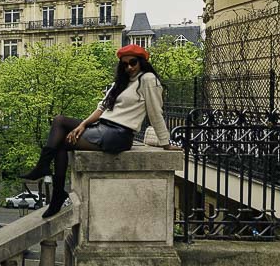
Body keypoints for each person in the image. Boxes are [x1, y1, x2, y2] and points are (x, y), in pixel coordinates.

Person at [21, 44, 182, 218]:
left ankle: (50, 180)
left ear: (142, 62)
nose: (129, 67)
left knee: (61, 134)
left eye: (133, 63)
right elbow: (102, 108)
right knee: (60, 128)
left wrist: (165, 143)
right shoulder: (121, 82)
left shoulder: (148, 79)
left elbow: (155, 112)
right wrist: (82, 124)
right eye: (124, 64)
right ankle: (55, 189)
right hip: (102, 127)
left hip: (119, 134)